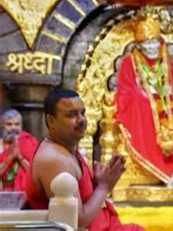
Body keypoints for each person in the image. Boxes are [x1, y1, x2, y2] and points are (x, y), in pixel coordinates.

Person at [25, 89, 143, 230]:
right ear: (51, 121)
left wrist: (97, 182)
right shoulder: (54, 159)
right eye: (72, 115)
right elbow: (76, 222)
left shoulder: (66, 148)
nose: (82, 120)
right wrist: (104, 187)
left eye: (82, 113)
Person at [116, 9, 173, 185]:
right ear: (139, 45)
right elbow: (125, 91)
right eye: (147, 45)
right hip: (139, 108)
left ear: (160, 42)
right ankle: (160, 171)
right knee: (144, 104)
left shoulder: (167, 62)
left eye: (154, 44)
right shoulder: (129, 62)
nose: (151, 48)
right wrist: (146, 97)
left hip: (168, 106)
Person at [0, 109, 38, 191]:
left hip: (25, 194)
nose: (13, 128)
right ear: (2, 126)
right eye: (9, 124)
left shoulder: (29, 142)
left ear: (21, 126)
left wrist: (19, 157)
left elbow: (35, 175)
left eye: (17, 124)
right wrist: (10, 157)